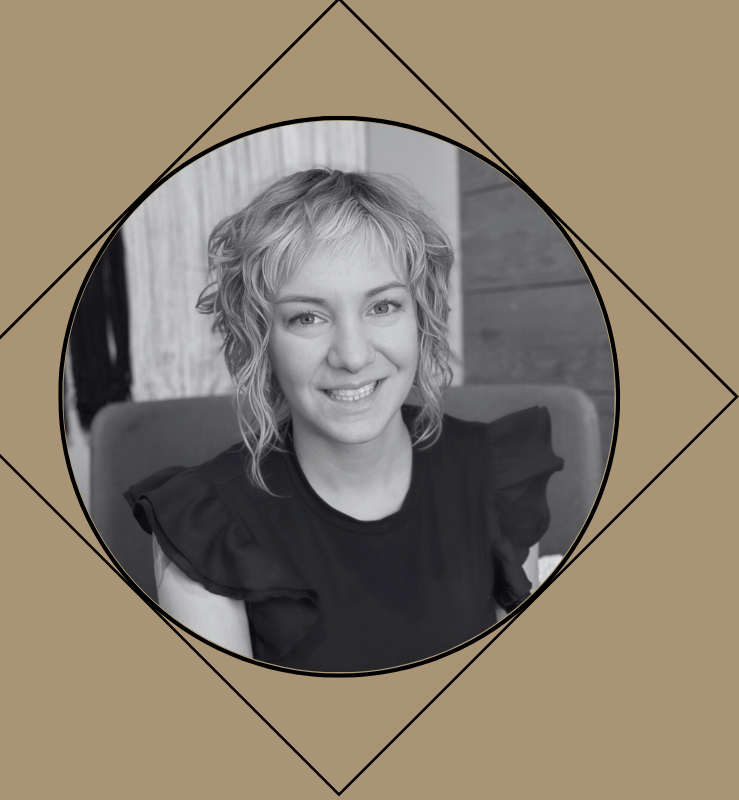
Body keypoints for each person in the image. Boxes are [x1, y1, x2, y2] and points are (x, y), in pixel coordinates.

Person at [125, 169, 563, 673]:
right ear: (260, 340)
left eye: (383, 305)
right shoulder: (203, 528)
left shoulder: (499, 478)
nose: (352, 356)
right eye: (307, 317)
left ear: (422, 318)